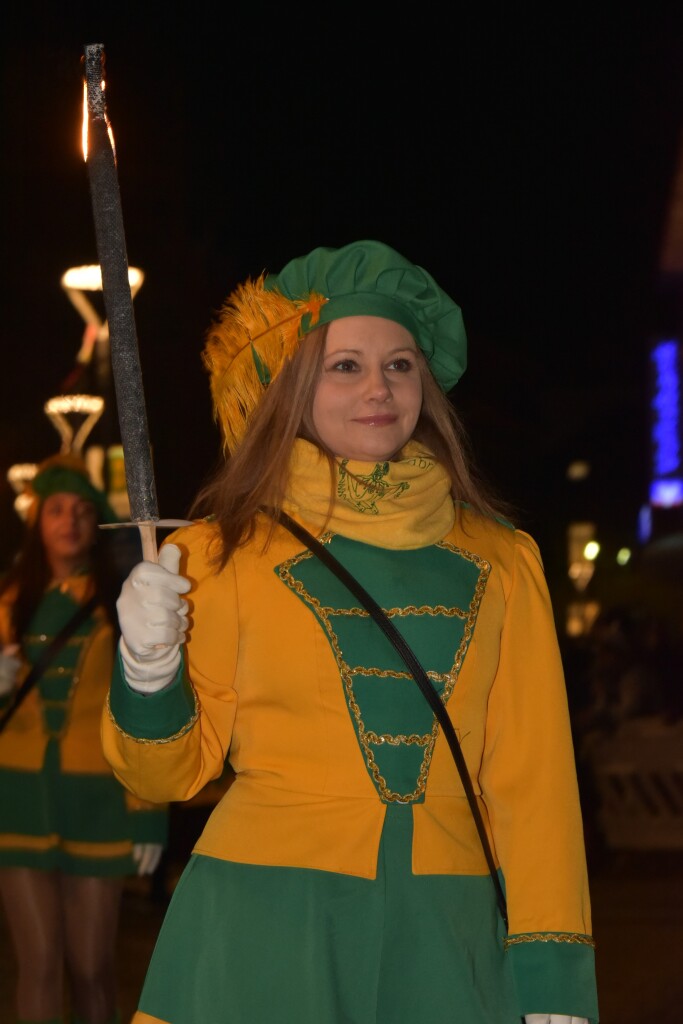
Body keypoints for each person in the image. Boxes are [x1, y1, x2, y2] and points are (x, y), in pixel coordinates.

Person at [101, 239, 599, 1023]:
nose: (378, 387)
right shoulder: (215, 553)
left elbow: (534, 785)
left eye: (399, 364)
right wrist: (148, 666)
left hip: (444, 935)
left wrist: (552, 965)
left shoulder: (503, 559)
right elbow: (164, 778)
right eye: (345, 366)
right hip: (261, 924)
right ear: (292, 389)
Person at [0, 453, 169, 1024]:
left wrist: (149, 810)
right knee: (39, 964)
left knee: (93, 967)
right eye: (55, 510)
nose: (69, 521)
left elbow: (145, 709)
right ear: (38, 522)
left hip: (98, 804)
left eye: (80, 511)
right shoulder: (5, 608)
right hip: (16, 802)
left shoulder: (124, 606)